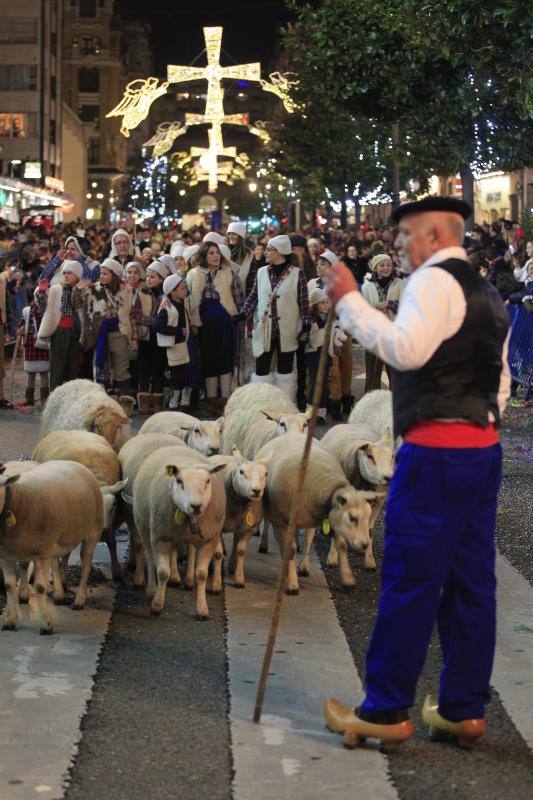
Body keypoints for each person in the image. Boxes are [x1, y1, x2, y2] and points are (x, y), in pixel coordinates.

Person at [324, 196, 510, 748]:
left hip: (436, 452)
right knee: (470, 582)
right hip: (482, 448)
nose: (397, 244)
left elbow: (405, 351)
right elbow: (498, 381)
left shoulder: (431, 282)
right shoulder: (485, 288)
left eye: (404, 235)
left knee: (409, 580)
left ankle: (385, 711)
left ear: (433, 235)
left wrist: (350, 304)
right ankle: (462, 708)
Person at [242, 234, 311, 401]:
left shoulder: (297, 274)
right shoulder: (261, 272)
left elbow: (303, 302)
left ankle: (284, 401)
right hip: (264, 329)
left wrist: (306, 324)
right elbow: (253, 297)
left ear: (279, 252)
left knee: (285, 369)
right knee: (262, 367)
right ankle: (261, 402)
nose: (265, 252)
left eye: (269, 249)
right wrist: (243, 313)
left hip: (287, 330)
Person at [186, 241, 242, 416]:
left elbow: (239, 296)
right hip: (205, 322)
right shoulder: (193, 274)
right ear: (204, 255)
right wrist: (193, 322)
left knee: (225, 358)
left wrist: (239, 316)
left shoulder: (228, 272)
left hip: (225, 321)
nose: (216, 256)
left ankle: (225, 399)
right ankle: (211, 400)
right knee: (209, 360)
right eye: (211, 253)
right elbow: (189, 299)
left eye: (217, 253)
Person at [81, 258, 136, 412]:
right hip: (100, 334)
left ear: (115, 275)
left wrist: (133, 336)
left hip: (119, 332)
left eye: (105, 273)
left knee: (122, 367)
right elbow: (80, 304)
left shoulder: (126, 291)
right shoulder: (94, 289)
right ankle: (100, 405)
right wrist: (79, 289)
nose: (101, 276)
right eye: (101, 273)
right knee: (101, 367)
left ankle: (126, 404)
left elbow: (129, 313)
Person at [36, 261, 86, 391]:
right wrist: (41, 294)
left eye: (69, 273)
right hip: (60, 330)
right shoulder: (56, 289)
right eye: (64, 273)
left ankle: (72, 395)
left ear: (77, 275)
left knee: (74, 366)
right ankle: (55, 396)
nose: (66, 275)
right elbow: (45, 309)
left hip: (76, 330)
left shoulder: (82, 291)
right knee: (57, 365)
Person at [361, 253, 404, 393]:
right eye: (382, 265)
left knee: (396, 373)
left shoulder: (400, 283)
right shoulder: (366, 286)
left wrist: (390, 303)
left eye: (389, 265)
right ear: (375, 267)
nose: (386, 268)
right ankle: (371, 403)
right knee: (373, 373)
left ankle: (397, 405)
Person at [132, 260, 170, 414]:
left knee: (158, 367)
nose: (148, 279)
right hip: (146, 335)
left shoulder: (165, 295)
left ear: (161, 278)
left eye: (153, 277)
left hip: (160, 336)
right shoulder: (141, 292)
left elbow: (167, 314)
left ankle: (157, 400)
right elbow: (137, 312)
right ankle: (144, 401)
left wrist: (157, 322)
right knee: (144, 366)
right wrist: (153, 321)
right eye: (147, 276)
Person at [155, 274, 191, 410]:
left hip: (182, 344)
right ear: (173, 292)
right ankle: (174, 402)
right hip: (174, 344)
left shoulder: (182, 303)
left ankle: (181, 401)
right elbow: (158, 326)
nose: (185, 290)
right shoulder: (167, 307)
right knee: (177, 376)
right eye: (181, 289)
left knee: (182, 374)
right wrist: (177, 331)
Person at [18, 289, 50, 407]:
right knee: (30, 373)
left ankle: (44, 398)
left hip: (43, 345)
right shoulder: (27, 311)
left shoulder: (47, 311)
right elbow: (22, 323)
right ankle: (28, 397)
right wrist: (20, 329)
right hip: (30, 346)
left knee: (43, 373)